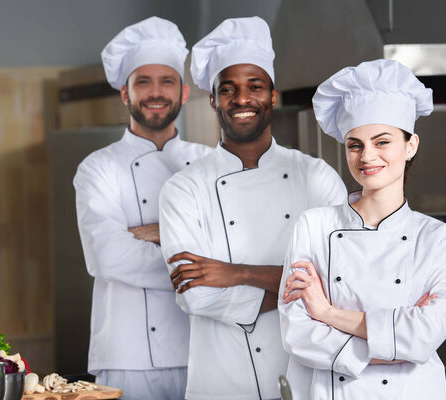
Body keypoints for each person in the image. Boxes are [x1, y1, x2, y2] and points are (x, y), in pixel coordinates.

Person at [158, 17, 347, 400]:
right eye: (227, 90)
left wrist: (235, 273)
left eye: (254, 87)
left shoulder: (316, 177)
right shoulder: (183, 189)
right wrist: (302, 291)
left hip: (306, 376)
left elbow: (343, 279)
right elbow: (195, 294)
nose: (241, 99)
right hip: (221, 381)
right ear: (212, 100)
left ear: (272, 96)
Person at [278, 59, 446, 399]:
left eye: (382, 142)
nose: (367, 156)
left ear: (411, 146)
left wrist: (328, 313)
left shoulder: (437, 239)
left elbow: (424, 335)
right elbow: (297, 333)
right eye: (355, 144)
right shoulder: (315, 226)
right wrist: (393, 348)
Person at [74, 16, 211, 400]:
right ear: (124, 93)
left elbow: (231, 244)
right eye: (143, 82)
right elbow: (107, 256)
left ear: (183, 93)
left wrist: (153, 233)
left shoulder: (209, 162)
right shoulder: (97, 168)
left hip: (202, 347)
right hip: (125, 353)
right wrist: (199, 257)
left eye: (166, 81)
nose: (156, 92)